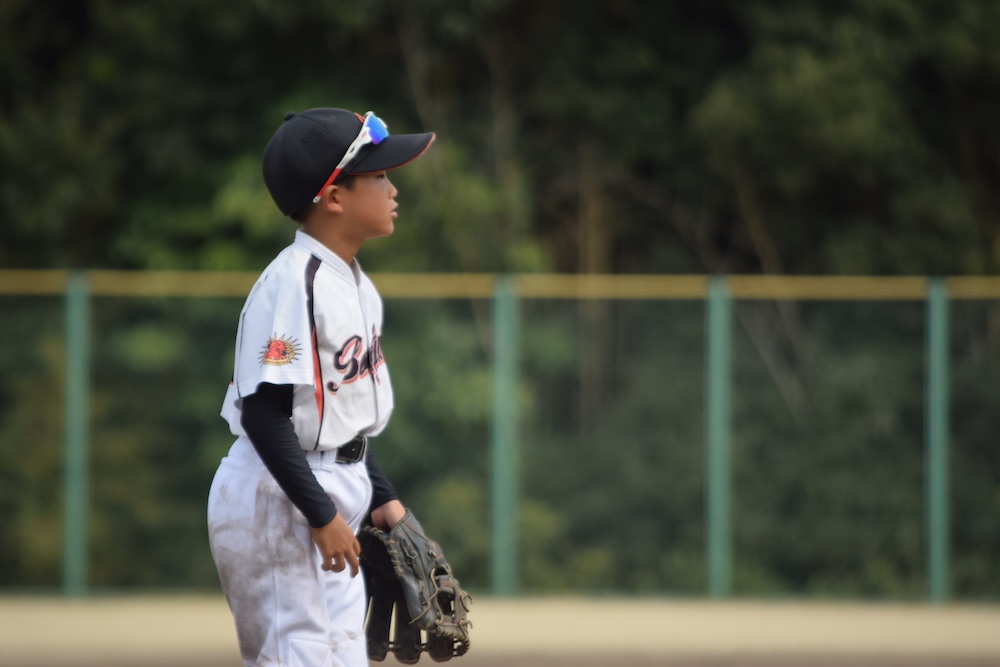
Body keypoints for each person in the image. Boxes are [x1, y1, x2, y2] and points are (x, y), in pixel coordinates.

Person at [207, 107, 435, 667]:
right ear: (333, 197)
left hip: (329, 486)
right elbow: (264, 414)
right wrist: (320, 515)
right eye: (378, 176)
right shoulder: (294, 283)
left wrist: (383, 499)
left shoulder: (352, 282)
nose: (393, 189)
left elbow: (337, 416)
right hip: (283, 496)